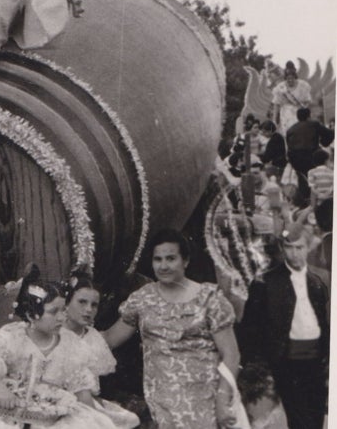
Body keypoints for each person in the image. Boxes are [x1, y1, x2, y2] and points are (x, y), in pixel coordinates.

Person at [0, 265, 117, 428]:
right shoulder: (11, 337)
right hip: (4, 404)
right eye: (54, 312)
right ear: (32, 315)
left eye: (64, 310)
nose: (62, 317)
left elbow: (80, 387)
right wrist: (1, 390)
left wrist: (93, 418)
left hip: (46, 412)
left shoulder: (71, 344)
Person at [103, 229, 245, 429]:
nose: (163, 266)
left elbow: (231, 355)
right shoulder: (143, 299)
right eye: (157, 259)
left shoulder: (209, 299)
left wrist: (223, 399)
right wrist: (67, 335)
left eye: (171, 259)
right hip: (162, 401)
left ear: (185, 261)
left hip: (205, 400)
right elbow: (110, 338)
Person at [238, 226, 330, 429]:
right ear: (282, 248)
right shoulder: (266, 282)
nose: (294, 253)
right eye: (289, 248)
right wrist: (256, 364)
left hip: (317, 360)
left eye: (299, 247)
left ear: (308, 248)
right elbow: (250, 327)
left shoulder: (319, 280)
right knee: (300, 419)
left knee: (316, 417)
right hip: (286, 360)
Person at [64, 271, 140, 428]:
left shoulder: (95, 338)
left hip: (87, 403)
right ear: (66, 303)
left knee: (131, 420)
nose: (88, 309)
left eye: (94, 305)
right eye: (82, 302)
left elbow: (125, 326)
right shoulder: (53, 334)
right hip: (58, 403)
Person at [286, 107, 334, 205]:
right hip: (311, 156)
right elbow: (330, 134)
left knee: (303, 179)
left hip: (295, 159)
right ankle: (319, 199)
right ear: (309, 116)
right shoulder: (314, 124)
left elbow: (289, 146)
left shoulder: (290, 129)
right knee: (315, 177)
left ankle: (304, 201)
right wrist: (323, 142)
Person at [270, 61, 312, 137]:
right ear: (285, 78)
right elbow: (276, 105)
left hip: (299, 114)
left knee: (300, 135)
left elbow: (307, 102)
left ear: (295, 77)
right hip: (285, 115)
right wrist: (274, 120)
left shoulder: (303, 85)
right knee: (287, 135)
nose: (290, 80)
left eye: (292, 78)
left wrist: (306, 113)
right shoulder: (281, 87)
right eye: (288, 78)